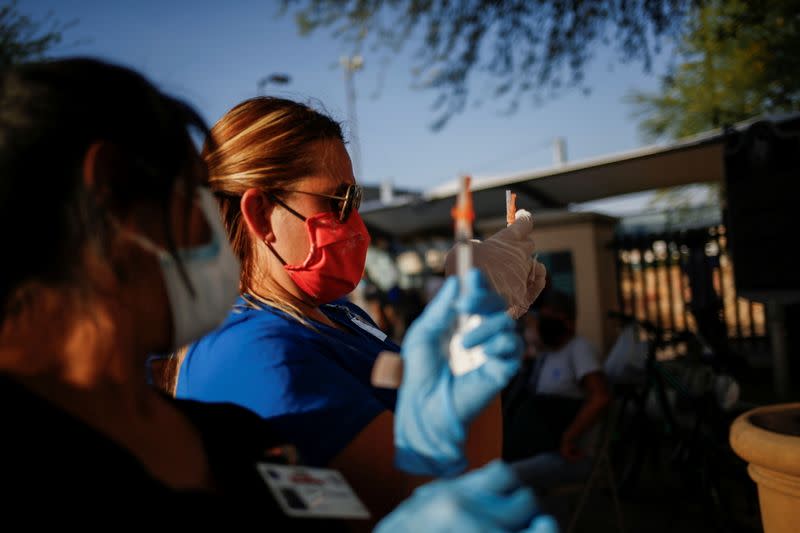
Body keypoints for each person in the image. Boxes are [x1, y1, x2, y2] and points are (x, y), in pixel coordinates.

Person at [0, 57, 557, 532]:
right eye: (191, 201)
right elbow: (432, 486)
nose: (210, 231)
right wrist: (476, 318)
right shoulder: (248, 353)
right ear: (113, 199)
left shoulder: (223, 432)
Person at [174, 96, 544, 518]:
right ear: (259, 213)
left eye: (356, 201)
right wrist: (475, 320)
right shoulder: (251, 353)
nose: (356, 226)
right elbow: (444, 497)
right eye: (337, 202)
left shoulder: (338, 315)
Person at [503, 290, 611, 486]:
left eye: (551, 317)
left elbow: (600, 398)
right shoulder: (546, 354)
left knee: (503, 478)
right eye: (542, 317)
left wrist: (570, 437)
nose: (543, 323)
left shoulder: (579, 349)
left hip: (565, 453)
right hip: (536, 446)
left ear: (568, 321)